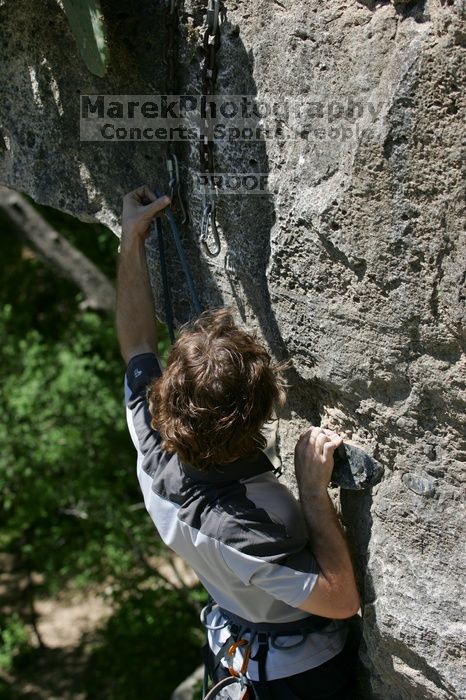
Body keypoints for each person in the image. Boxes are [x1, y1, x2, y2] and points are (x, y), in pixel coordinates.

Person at [116, 186, 361, 700]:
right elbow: (339, 601)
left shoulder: (153, 442)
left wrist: (132, 235)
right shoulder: (250, 527)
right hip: (296, 680)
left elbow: (137, 343)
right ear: (262, 415)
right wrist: (314, 494)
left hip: (230, 651)